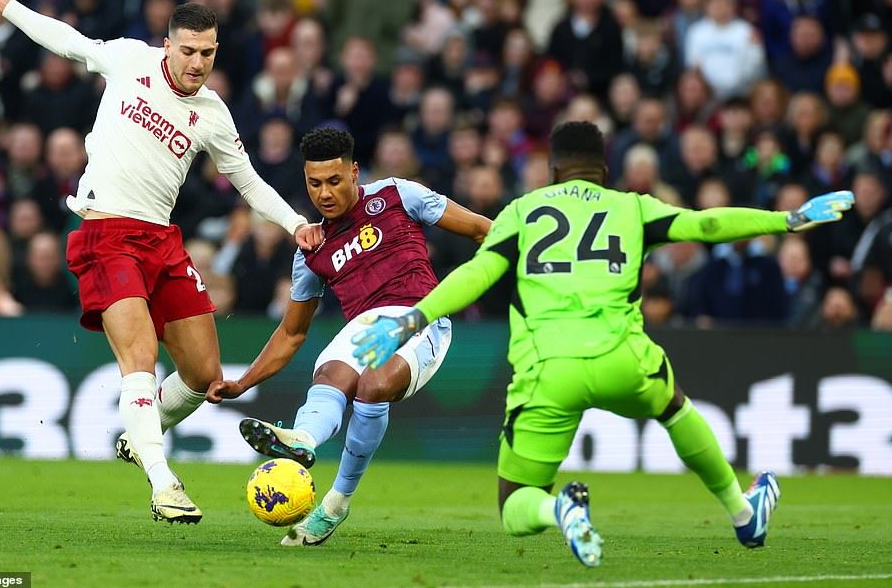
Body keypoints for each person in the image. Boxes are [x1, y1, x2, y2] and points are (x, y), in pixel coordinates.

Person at [351, 121, 855, 567]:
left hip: (548, 370)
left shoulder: (523, 211)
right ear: (604, 167)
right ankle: (743, 514)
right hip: (622, 358)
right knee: (675, 406)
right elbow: (705, 224)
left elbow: (479, 272)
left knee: (515, 507)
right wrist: (785, 220)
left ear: (553, 168)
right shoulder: (632, 208)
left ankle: (559, 509)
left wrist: (413, 319)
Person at [0, 0, 322, 524]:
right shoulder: (130, 59)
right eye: (188, 50)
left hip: (161, 241)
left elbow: (248, 180)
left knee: (206, 374)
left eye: (208, 52)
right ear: (168, 45)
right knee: (139, 358)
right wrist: (6, 4)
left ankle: (142, 433)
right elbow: (68, 40)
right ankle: (164, 483)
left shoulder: (212, 113)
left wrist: (295, 222)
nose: (198, 62)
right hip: (106, 235)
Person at [205, 127, 492, 545]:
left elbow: (483, 229)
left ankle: (337, 502)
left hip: (421, 319)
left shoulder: (397, 195)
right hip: (364, 327)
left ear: (355, 172)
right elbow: (291, 333)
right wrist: (243, 383)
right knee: (332, 376)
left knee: (372, 386)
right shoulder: (311, 250)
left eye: (334, 181)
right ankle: (301, 439)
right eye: (314, 183)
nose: (324, 193)